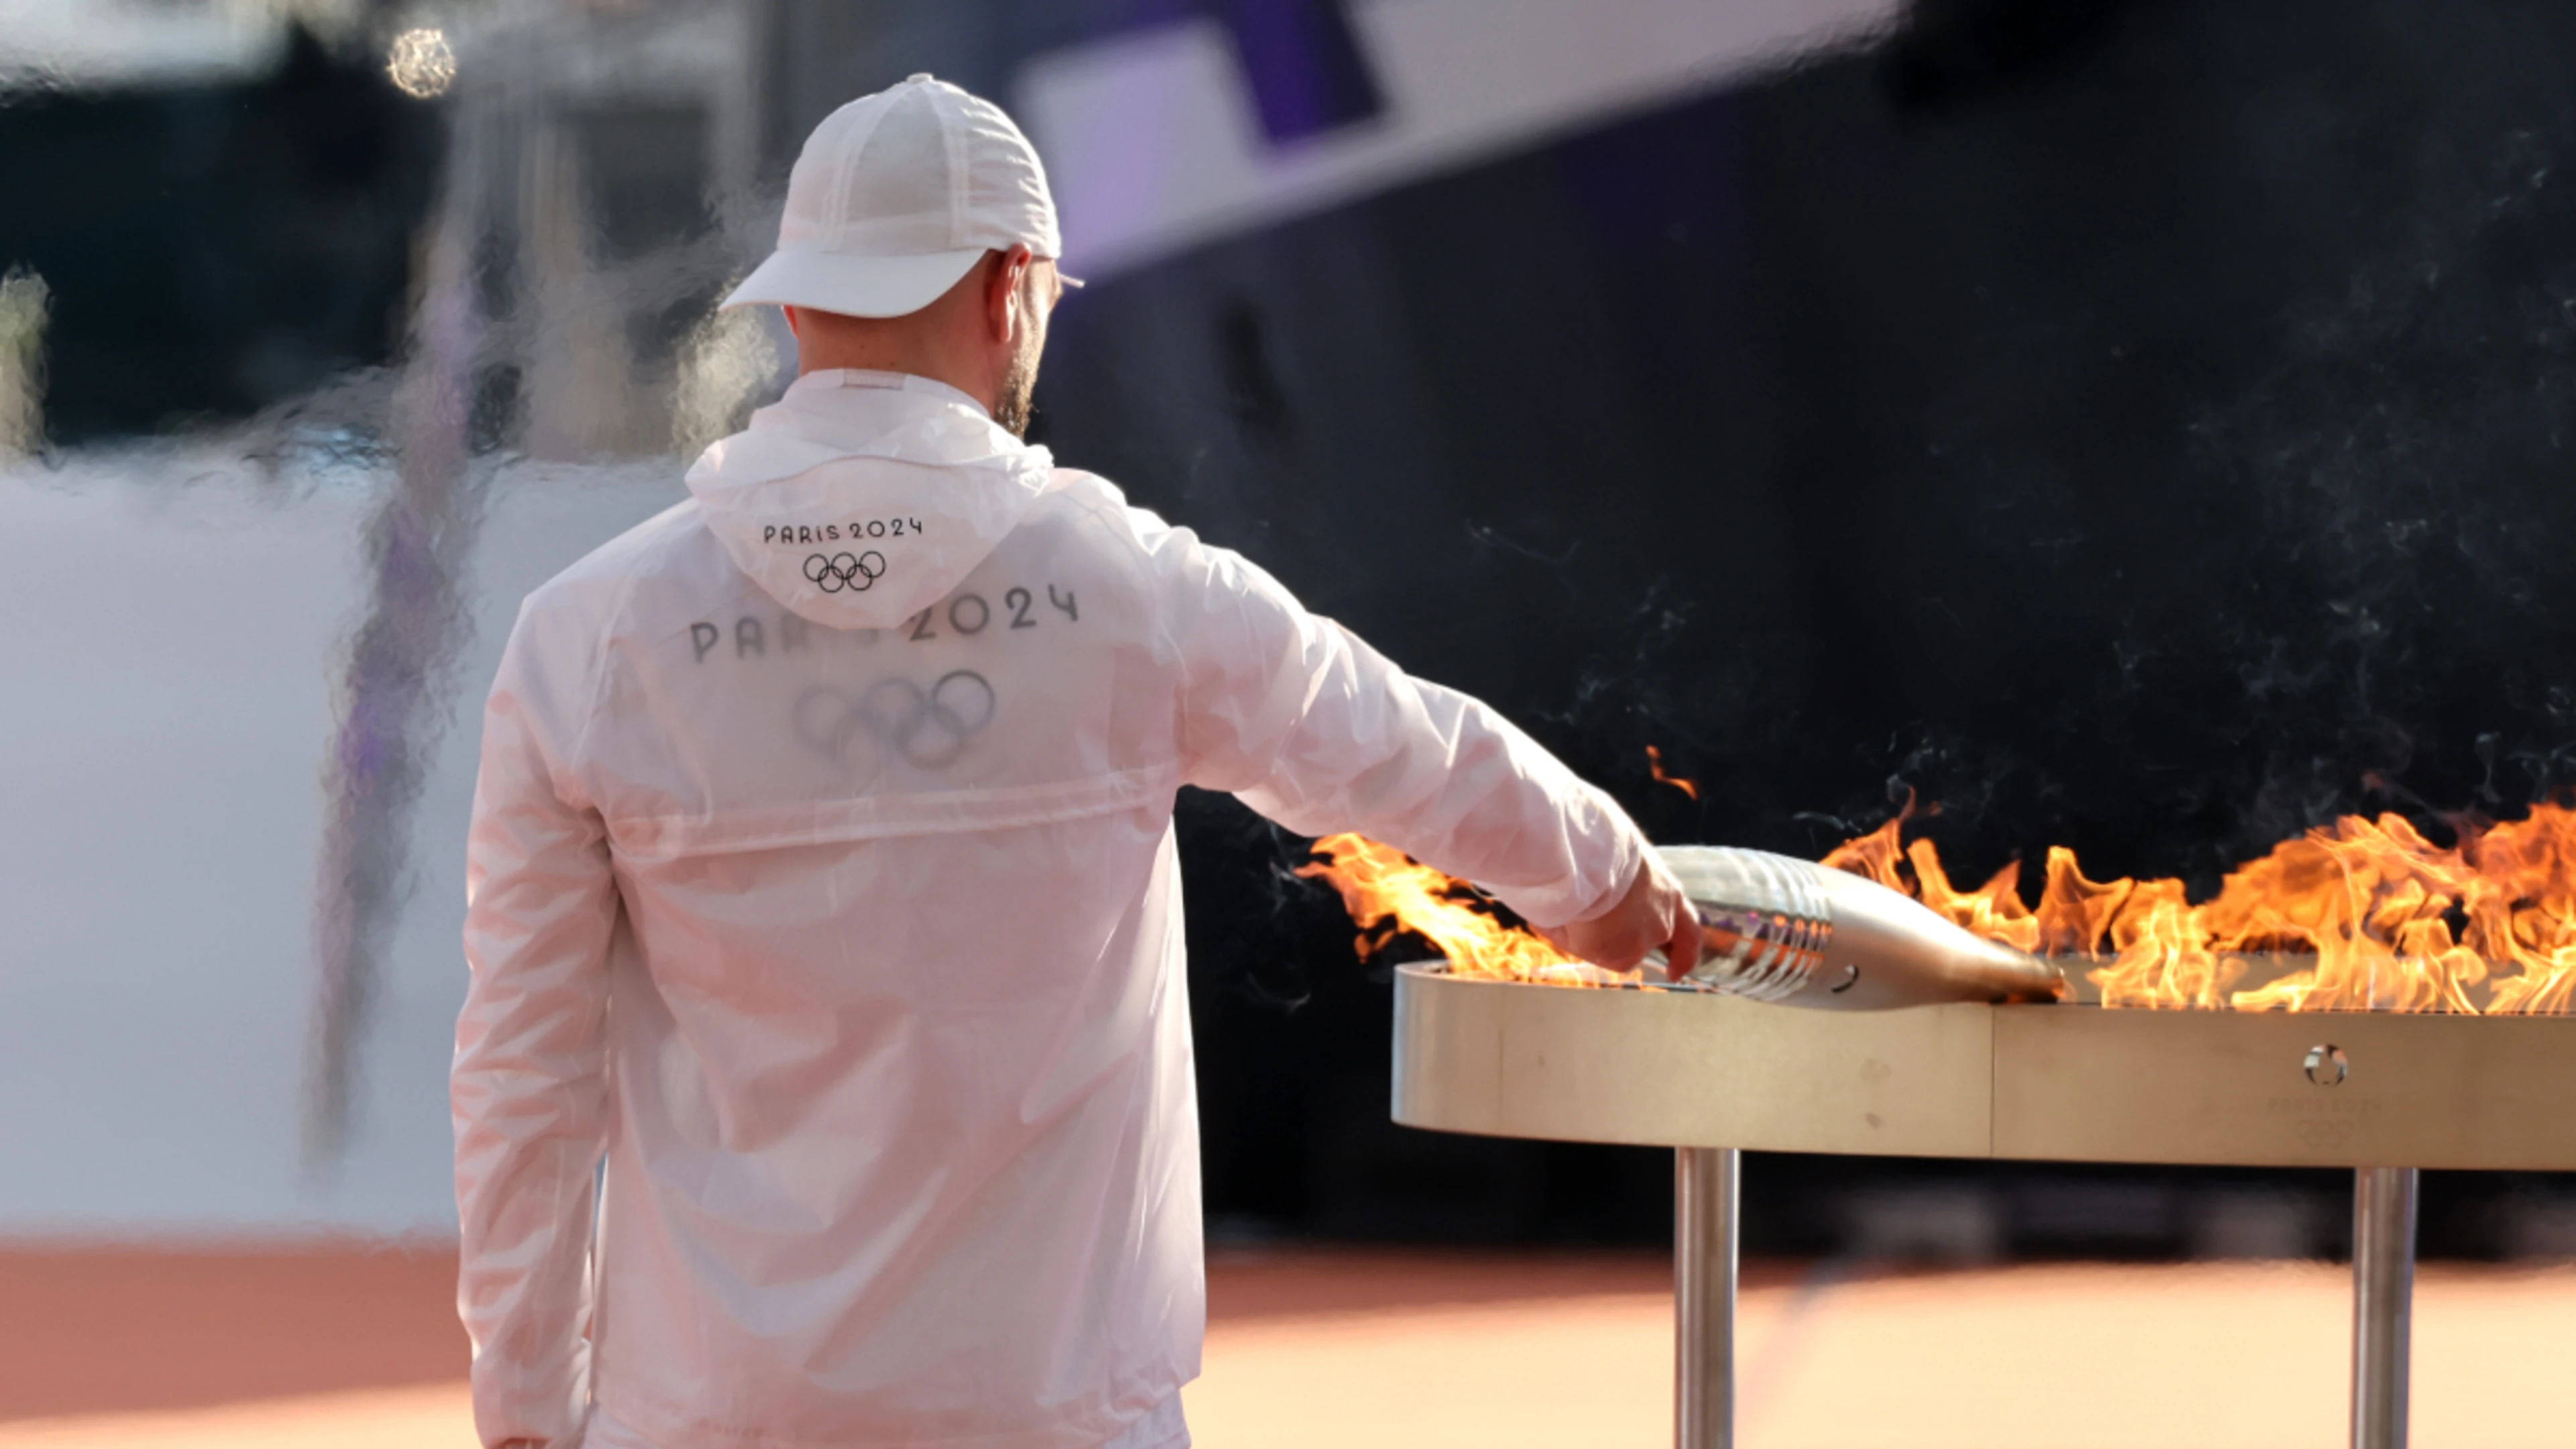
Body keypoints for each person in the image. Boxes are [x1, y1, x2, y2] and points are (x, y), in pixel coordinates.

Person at [452, 73, 1699, 1449]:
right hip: (1058, 1413)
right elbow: (1397, 743)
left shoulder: (590, 636)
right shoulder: (1127, 589)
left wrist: (524, 1404)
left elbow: (524, 1072)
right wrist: (1604, 880)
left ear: (799, 304)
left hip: (709, 1418)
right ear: (1013, 290)